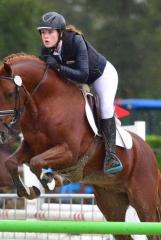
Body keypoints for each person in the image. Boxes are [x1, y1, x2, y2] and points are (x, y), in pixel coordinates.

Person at [37, 11, 123, 175]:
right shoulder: (46, 50)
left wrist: (58, 67)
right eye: (43, 32)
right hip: (78, 80)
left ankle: (111, 156)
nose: (45, 37)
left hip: (101, 75)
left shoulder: (76, 41)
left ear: (60, 33)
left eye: (49, 32)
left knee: (105, 107)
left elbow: (83, 74)